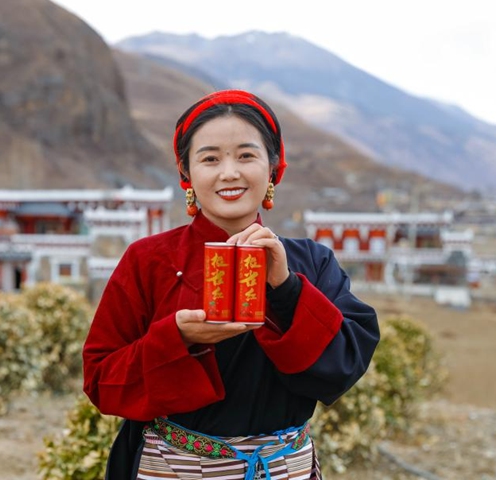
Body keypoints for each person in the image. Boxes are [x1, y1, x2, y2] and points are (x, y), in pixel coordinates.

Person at [82, 90, 379, 479]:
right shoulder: (148, 260)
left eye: (245, 155)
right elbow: (102, 381)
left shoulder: (312, 261)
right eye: (210, 158)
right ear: (186, 174)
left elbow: (344, 366)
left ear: (272, 168)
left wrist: (286, 288)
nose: (229, 173)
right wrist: (177, 339)